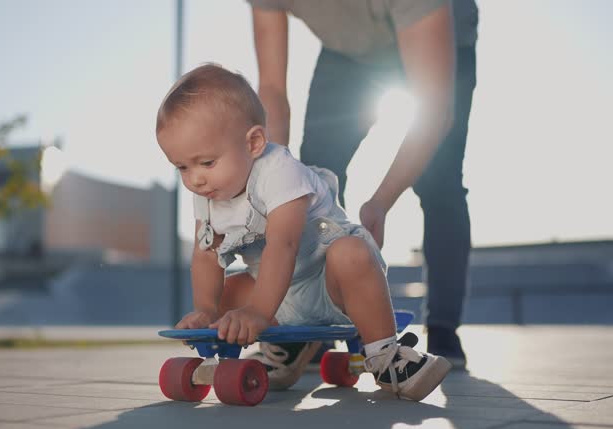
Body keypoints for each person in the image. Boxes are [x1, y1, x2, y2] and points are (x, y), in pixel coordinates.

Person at [156, 64, 451, 400]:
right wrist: (207, 310)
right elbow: (205, 255)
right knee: (230, 290)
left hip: (331, 284)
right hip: (276, 293)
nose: (195, 179)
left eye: (206, 163)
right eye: (182, 167)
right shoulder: (207, 196)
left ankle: (386, 355)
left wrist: (258, 313)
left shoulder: (280, 172)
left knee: (350, 252)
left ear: (253, 142)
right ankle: (290, 350)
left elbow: (283, 245)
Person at [249, 0, 478, 369]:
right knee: (311, 175)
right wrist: (270, 188)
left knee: (440, 183)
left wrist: (381, 201)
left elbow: (435, 111)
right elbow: (272, 91)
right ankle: (308, 324)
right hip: (348, 52)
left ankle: (443, 329)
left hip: (442, 35)